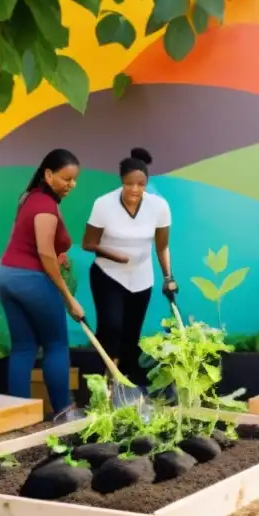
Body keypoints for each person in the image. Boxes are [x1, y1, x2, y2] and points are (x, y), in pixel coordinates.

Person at [0, 149, 83, 421]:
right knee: (56, 343)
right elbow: (44, 253)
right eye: (66, 178)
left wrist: (59, 252)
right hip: (31, 279)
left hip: (6, 276)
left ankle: (17, 416)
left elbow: (28, 240)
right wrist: (69, 298)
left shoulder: (29, 198)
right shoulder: (46, 206)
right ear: (48, 174)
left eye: (74, 179)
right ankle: (64, 412)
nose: (71, 185)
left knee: (24, 347)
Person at [82, 148, 175, 387]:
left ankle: (128, 383)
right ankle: (105, 379)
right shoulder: (103, 204)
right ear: (121, 181)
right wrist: (114, 255)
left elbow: (162, 247)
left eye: (140, 184)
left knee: (132, 334)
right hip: (108, 275)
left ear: (147, 182)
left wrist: (168, 277)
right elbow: (88, 243)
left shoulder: (159, 207)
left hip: (142, 278)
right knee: (111, 328)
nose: (135, 190)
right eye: (129, 184)